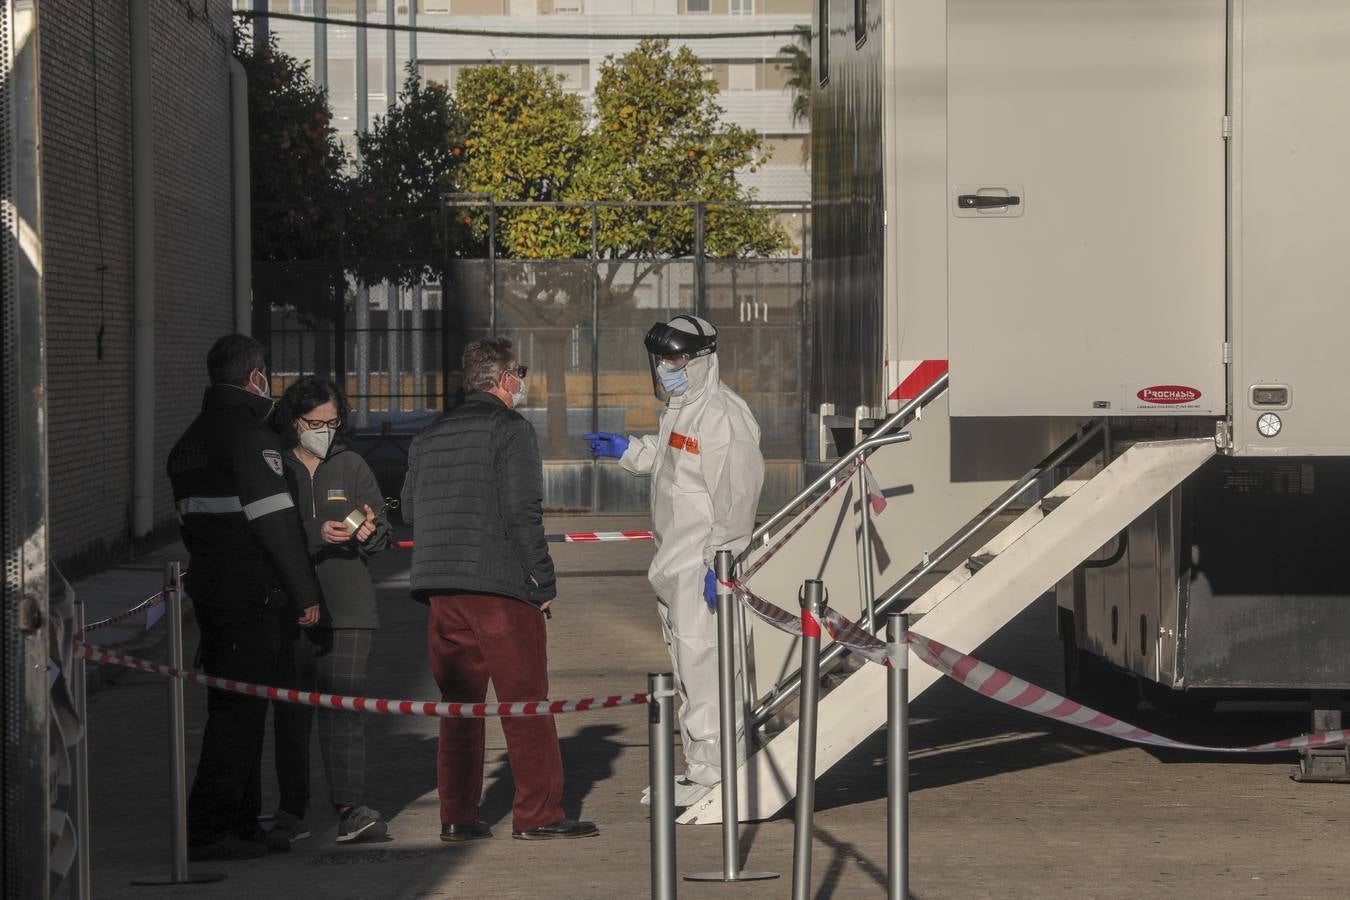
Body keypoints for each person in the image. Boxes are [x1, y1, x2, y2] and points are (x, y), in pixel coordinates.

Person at [402, 338, 598, 842]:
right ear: (507, 378)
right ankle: (538, 814)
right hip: (499, 585)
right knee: (525, 703)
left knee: (459, 707)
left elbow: (408, 510)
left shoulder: (428, 436)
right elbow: (520, 511)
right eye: (522, 373)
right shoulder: (510, 430)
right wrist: (543, 579)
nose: (523, 382)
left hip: (440, 586)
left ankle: (458, 816)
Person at [584, 314, 764, 808]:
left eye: (677, 358)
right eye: (662, 359)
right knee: (689, 667)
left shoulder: (723, 416)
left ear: (704, 359)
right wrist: (629, 451)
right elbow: (672, 467)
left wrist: (721, 560)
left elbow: (738, 494)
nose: (667, 368)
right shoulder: (682, 412)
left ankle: (715, 774)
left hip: (703, 567)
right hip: (674, 566)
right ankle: (702, 766)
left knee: (706, 667)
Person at [166, 334, 323, 861]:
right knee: (237, 717)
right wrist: (305, 593)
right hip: (252, 597)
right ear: (255, 375)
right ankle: (211, 829)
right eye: (265, 374)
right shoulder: (251, 439)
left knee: (239, 709)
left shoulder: (188, 441)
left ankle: (241, 821)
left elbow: (193, 527)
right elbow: (278, 526)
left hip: (213, 591)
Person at [269, 377, 392, 845]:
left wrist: (370, 533)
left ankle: (350, 807)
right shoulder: (276, 466)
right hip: (292, 607)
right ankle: (290, 810)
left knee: (344, 711)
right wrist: (316, 530)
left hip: (350, 608)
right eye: (314, 422)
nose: (323, 430)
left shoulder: (353, 465)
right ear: (293, 420)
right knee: (292, 712)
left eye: (331, 422)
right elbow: (268, 531)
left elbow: (381, 533)